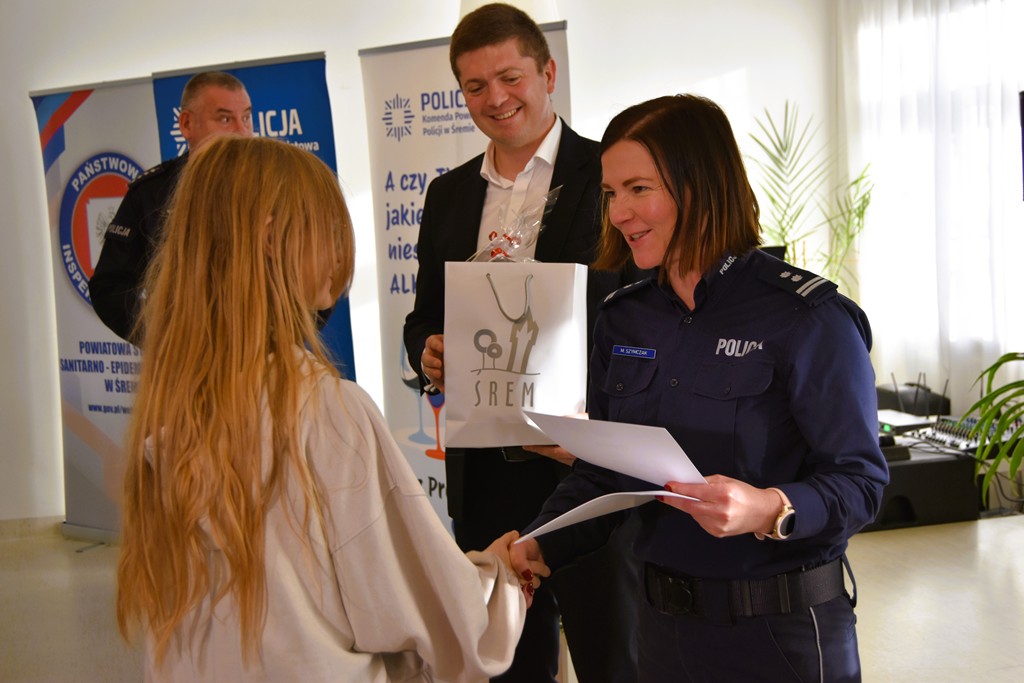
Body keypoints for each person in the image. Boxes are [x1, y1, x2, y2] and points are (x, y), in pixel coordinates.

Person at [115, 136, 541, 682]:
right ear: (272, 237)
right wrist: (497, 579)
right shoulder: (324, 410)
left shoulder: (172, 406)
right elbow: (423, 612)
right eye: (325, 227)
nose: (339, 253)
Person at [512, 94, 890, 682]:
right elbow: (605, 472)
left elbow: (861, 483)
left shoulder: (809, 318)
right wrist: (542, 541)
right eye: (610, 194)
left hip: (782, 633)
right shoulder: (624, 319)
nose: (618, 213)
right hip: (661, 633)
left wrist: (768, 508)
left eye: (639, 189)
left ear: (701, 186)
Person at [403, 4, 640, 682]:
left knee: (613, 655)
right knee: (506, 662)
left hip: (585, 468)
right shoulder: (448, 195)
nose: (495, 98)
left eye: (510, 77)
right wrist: (427, 350)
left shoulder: (610, 176)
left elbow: (641, 313)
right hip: (485, 474)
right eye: (475, 86)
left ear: (548, 74)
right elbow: (422, 317)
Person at [89, 71, 254, 343]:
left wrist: (279, 339)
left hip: (266, 360)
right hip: (186, 361)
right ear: (187, 124)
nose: (241, 131)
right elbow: (110, 288)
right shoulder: (152, 193)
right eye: (225, 119)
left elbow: (317, 278)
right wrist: (165, 336)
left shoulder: (279, 188)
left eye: (246, 118)